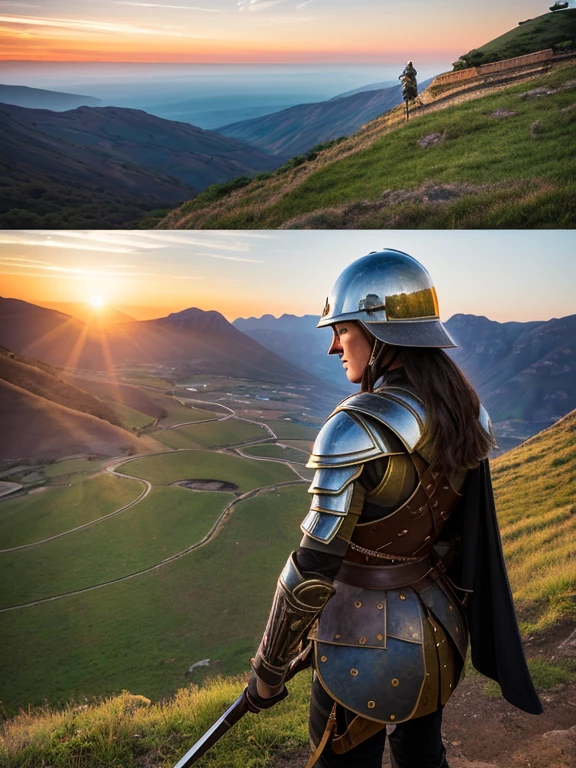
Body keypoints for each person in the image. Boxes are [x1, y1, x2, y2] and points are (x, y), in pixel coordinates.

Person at [244, 249, 542, 768]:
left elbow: (311, 569)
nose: (334, 345)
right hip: (434, 627)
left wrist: (267, 673)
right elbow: (455, 534)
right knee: (423, 758)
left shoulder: (355, 427)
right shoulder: (466, 412)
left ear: (378, 333)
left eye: (342, 328)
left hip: (355, 635)